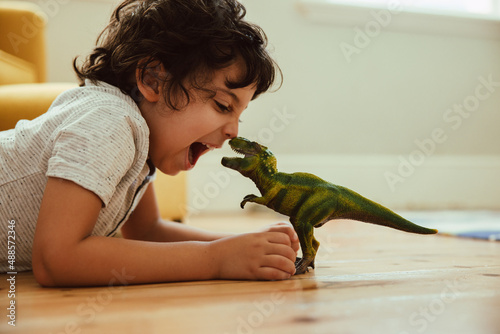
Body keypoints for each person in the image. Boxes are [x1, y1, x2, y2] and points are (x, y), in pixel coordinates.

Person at [0, 0, 299, 286]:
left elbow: (146, 231)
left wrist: (237, 246)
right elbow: (56, 259)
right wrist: (215, 259)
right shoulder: (110, 122)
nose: (233, 130)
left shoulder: (139, 142)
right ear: (153, 80)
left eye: (239, 116)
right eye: (222, 105)